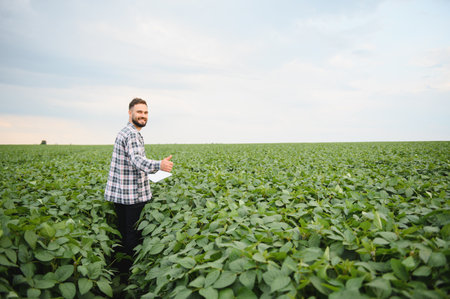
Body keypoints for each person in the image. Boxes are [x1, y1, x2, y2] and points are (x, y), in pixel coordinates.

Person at [104, 98, 173, 276]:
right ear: (130, 113)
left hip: (122, 195)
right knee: (132, 237)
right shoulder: (132, 134)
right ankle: (130, 276)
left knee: (124, 234)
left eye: (146, 112)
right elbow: (136, 160)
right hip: (132, 197)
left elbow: (131, 163)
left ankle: (122, 272)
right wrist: (159, 165)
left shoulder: (125, 132)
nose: (143, 116)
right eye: (139, 112)